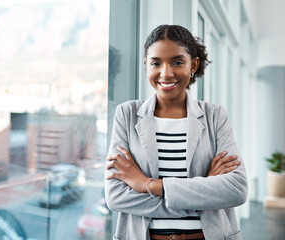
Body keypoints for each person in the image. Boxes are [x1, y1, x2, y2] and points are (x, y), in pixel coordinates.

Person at [104, 24, 247, 240]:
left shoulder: (214, 115)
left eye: (177, 62)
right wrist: (204, 195)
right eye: (156, 63)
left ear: (193, 65)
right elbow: (116, 196)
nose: (166, 73)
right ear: (146, 65)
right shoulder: (127, 114)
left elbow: (236, 188)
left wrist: (147, 185)